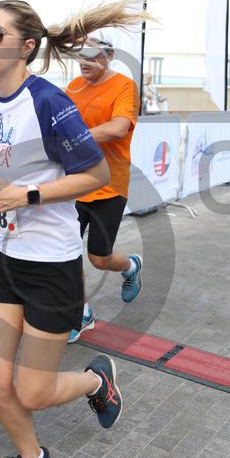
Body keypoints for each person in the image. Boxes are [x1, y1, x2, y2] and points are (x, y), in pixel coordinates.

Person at [0, 0, 150, 458]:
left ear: (27, 46)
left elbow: (95, 173)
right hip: (3, 258)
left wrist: (29, 195)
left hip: (49, 266)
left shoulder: (48, 101)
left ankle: (95, 381)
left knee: (33, 391)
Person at [65, 34, 143, 343]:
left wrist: (76, 138)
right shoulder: (73, 87)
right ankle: (81, 313)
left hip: (110, 185)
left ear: (108, 55)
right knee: (65, 251)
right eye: (79, 55)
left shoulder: (124, 86)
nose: (83, 61)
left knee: (99, 257)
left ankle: (131, 266)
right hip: (74, 183)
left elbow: (118, 128)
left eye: (91, 54)